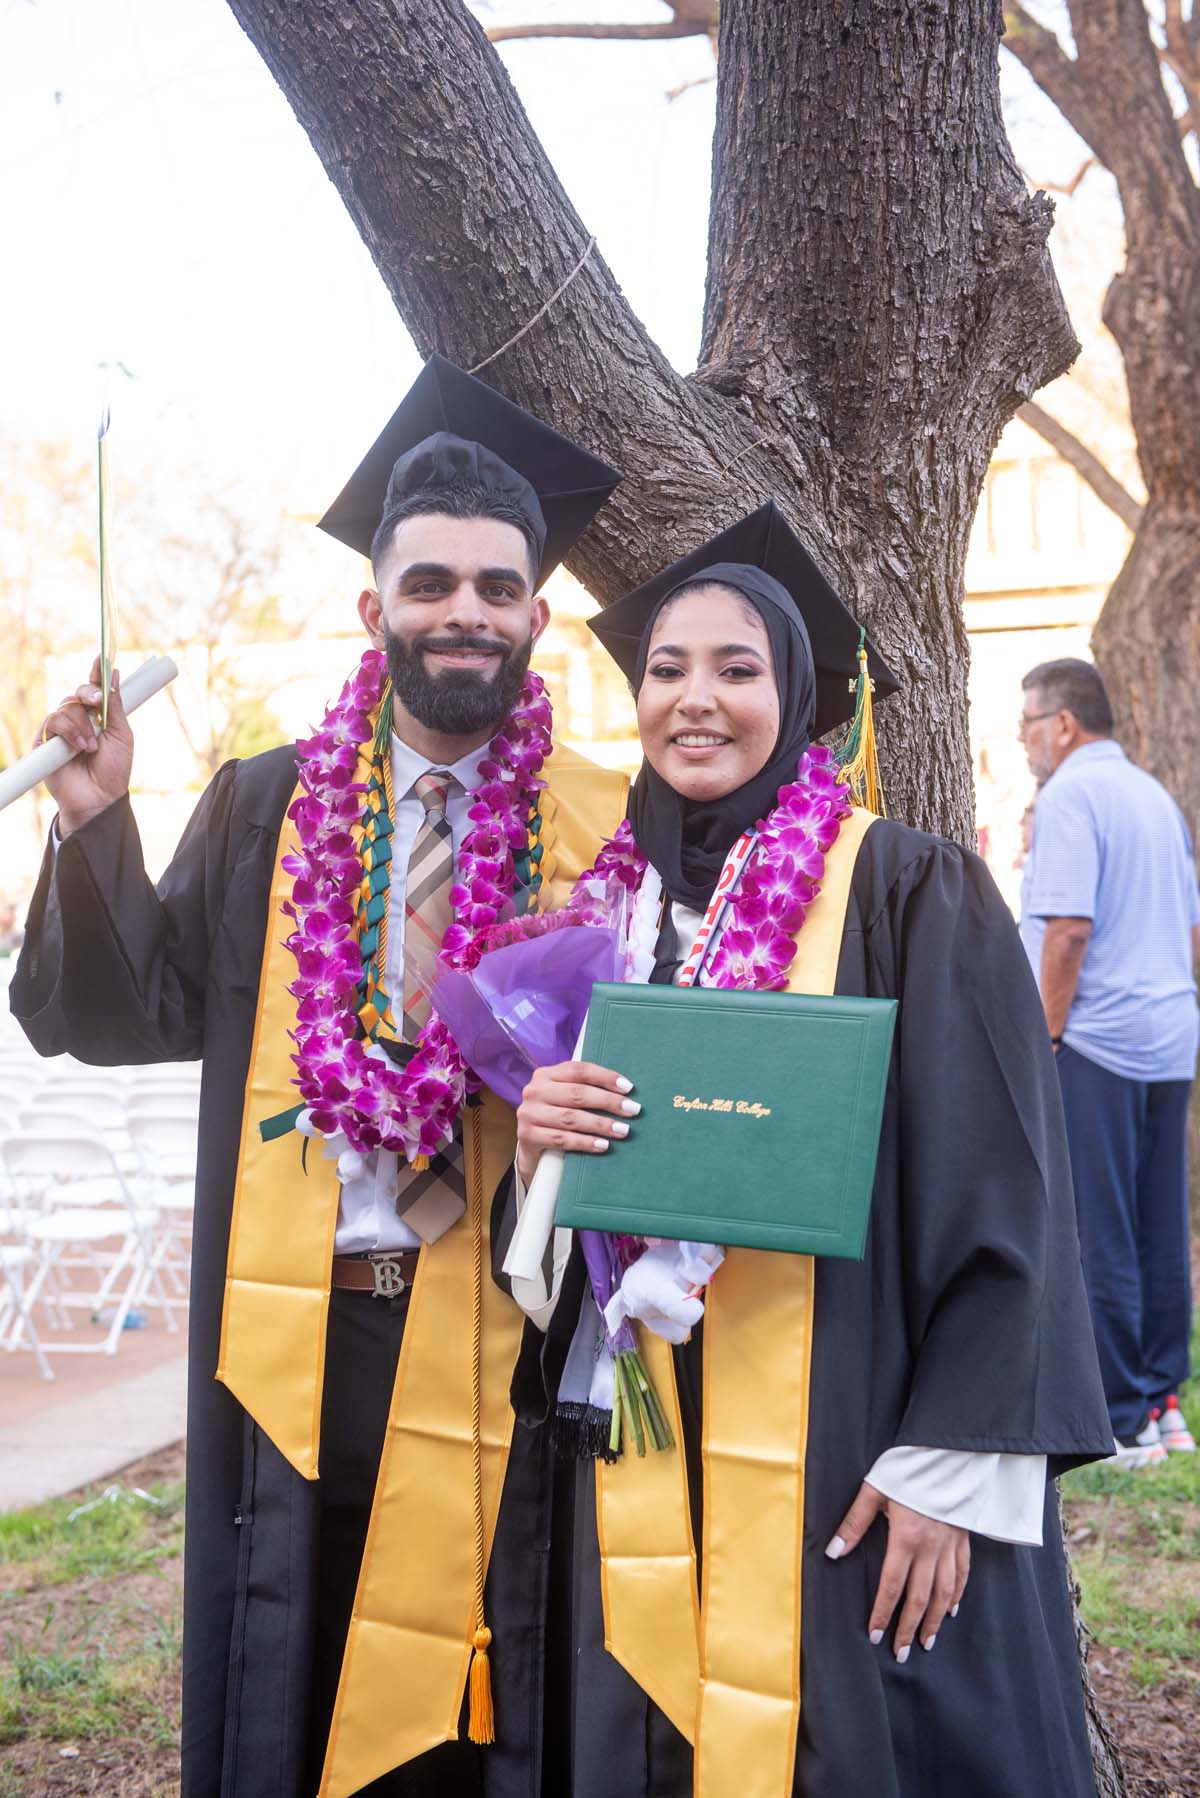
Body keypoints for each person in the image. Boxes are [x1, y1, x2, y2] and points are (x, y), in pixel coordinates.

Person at [11, 355, 631, 1798]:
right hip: (303, 1333)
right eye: (430, 585)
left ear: (536, 613)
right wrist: (97, 826)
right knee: (299, 1666)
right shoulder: (266, 801)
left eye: (495, 587)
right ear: (376, 609)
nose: (462, 614)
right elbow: (133, 1010)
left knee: (483, 1680)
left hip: (510, 1337)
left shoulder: (604, 822)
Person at [497, 506, 1114, 1798]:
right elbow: (569, 1226)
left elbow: (1009, 1191)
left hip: (854, 1430)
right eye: (667, 668)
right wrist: (540, 1150)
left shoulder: (908, 891)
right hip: (644, 1433)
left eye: (738, 668)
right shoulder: (600, 922)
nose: (696, 700)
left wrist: (952, 1464)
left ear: (797, 695)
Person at [1018, 657, 1200, 1468]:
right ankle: (1165, 1404)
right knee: (1162, 1225)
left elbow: (1067, 932)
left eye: (1026, 722)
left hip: (1096, 1041)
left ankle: (1123, 1420)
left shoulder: (1070, 795)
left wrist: (1046, 1039)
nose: (1021, 740)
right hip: (1168, 1037)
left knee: (1101, 1229)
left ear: (1062, 725)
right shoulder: (1152, 795)